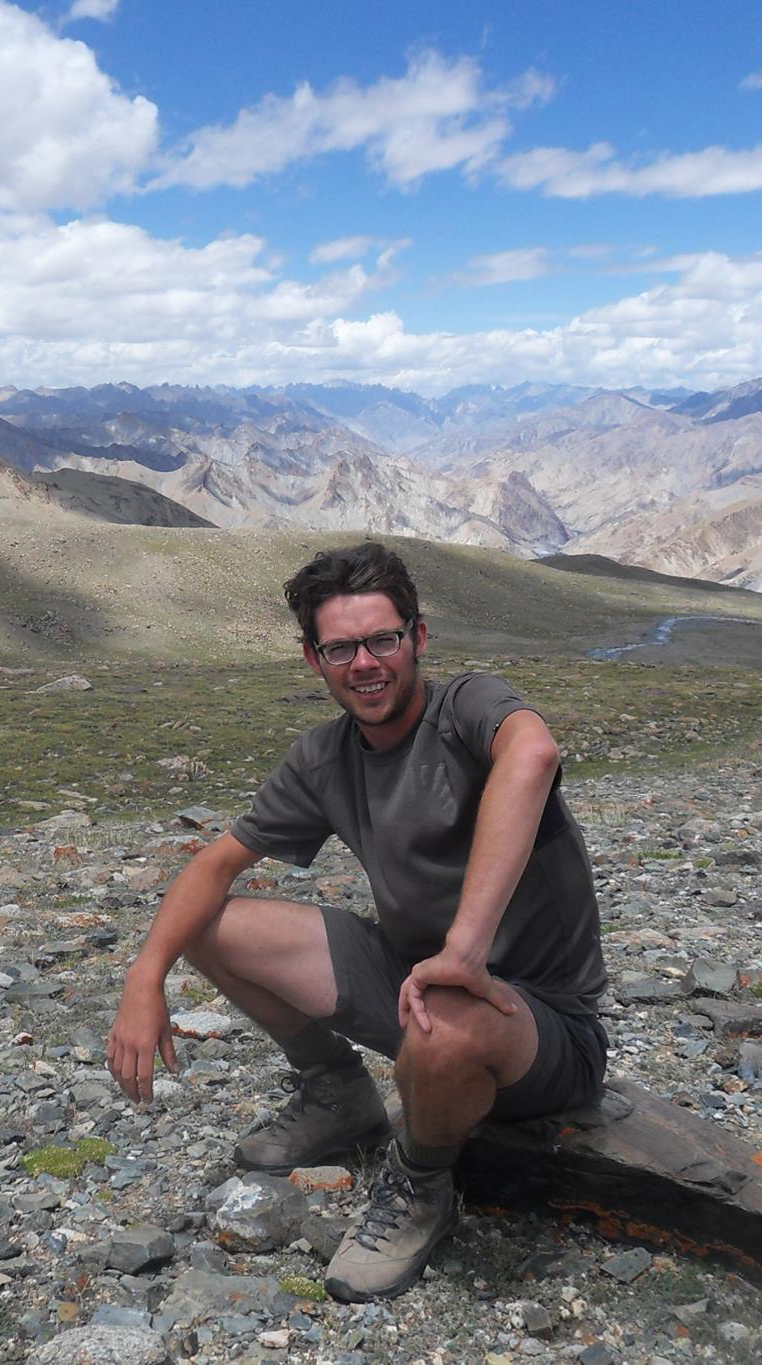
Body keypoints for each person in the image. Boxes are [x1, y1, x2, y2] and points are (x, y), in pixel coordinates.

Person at [107, 542, 608, 1302]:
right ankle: (337, 1092)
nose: (365, 663)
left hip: (545, 1026)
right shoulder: (326, 757)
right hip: (415, 984)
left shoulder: (467, 709)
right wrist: (145, 976)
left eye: (383, 639)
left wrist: (465, 950)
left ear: (419, 637)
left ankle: (421, 1183)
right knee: (205, 926)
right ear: (315, 660)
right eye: (341, 648)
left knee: (445, 1020)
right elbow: (214, 866)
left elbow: (533, 753)